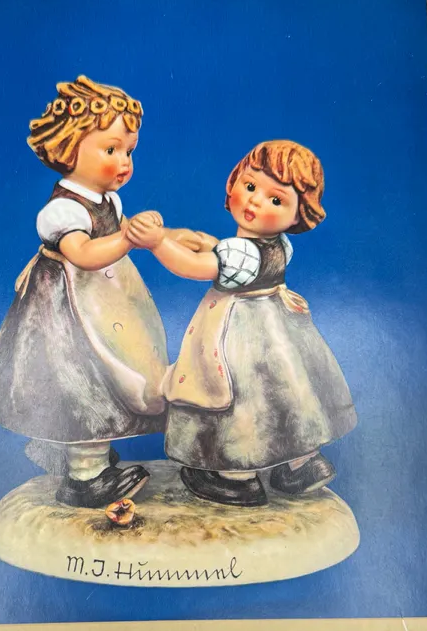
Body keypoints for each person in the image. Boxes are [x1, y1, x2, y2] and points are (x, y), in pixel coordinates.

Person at [0, 75, 185, 508]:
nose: (124, 161)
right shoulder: (63, 210)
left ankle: (92, 456)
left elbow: (114, 238)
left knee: (121, 369)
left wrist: (150, 235)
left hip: (108, 300)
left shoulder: (107, 199)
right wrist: (127, 237)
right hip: (69, 310)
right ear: (71, 149)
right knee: (84, 380)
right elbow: (83, 254)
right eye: (111, 150)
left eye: (129, 151)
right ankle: (85, 478)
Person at [128, 139, 357, 507]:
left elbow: (198, 267)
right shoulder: (278, 245)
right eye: (250, 186)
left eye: (276, 200)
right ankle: (303, 463)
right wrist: (187, 239)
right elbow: (226, 252)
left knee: (241, 401)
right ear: (234, 181)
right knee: (283, 394)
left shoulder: (243, 253)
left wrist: (158, 244)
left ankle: (236, 477)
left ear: (298, 216)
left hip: (237, 336)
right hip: (275, 331)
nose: (255, 201)